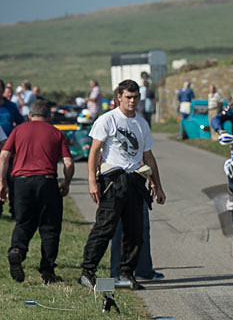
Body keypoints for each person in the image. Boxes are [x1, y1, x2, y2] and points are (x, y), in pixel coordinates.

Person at [78, 80, 166, 291]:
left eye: (135, 97)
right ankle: (87, 272)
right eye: (128, 97)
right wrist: (92, 182)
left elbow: (148, 156)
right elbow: (94, 153)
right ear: (119, 97)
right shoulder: (107, 120)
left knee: (135, 231)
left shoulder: (142, 123)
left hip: (135, 180)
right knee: (105, 228)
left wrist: (157, 185)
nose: (132, 101)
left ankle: (127, 273)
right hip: (112, 181)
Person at [0, 100, 74, 284]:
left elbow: (3, 156)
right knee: (50, 227)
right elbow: (69, 163)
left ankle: (17, 250)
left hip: (21, 183)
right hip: (46, 182)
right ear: (49, 116)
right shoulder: (56, 132)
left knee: (24, 221)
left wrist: (2, 183)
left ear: (29, 115)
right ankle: (47, 272)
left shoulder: (18, 130)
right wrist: (66, 182)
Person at [0, 79, 25, 219]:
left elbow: (21, 123)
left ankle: (15, 210)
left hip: (10, 149)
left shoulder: (11, 106)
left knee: (13, 179)